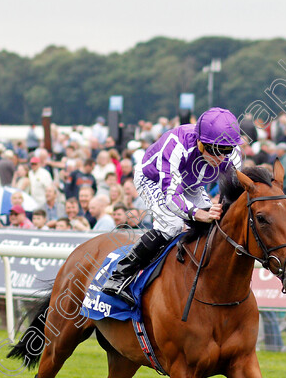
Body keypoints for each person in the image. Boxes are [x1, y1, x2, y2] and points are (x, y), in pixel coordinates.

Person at [101, 108, 243, 305]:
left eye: (226, 150)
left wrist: (220, 209)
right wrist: (199, 213)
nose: (221, 157)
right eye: (216, 150)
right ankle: (120, 275)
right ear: (201, 142)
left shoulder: (232, 154)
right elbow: (172, 197)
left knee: (216, 224)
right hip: (154, 180)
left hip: (191, 184)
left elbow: (233, 193)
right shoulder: (176, 144)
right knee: (172, 225)